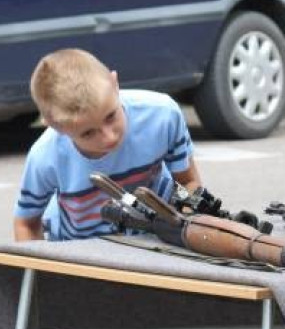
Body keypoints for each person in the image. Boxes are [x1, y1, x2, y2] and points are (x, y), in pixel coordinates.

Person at [13, 48, 202, 241]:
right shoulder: (44, 156)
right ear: (55, 126)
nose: (109, 137)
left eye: (110, 116)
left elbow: (187, 183)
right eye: (88, 133)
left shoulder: (163, 115)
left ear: (115, 83)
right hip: (81, 251)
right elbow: (26, 224)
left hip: (156, 240)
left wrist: (183, 216)